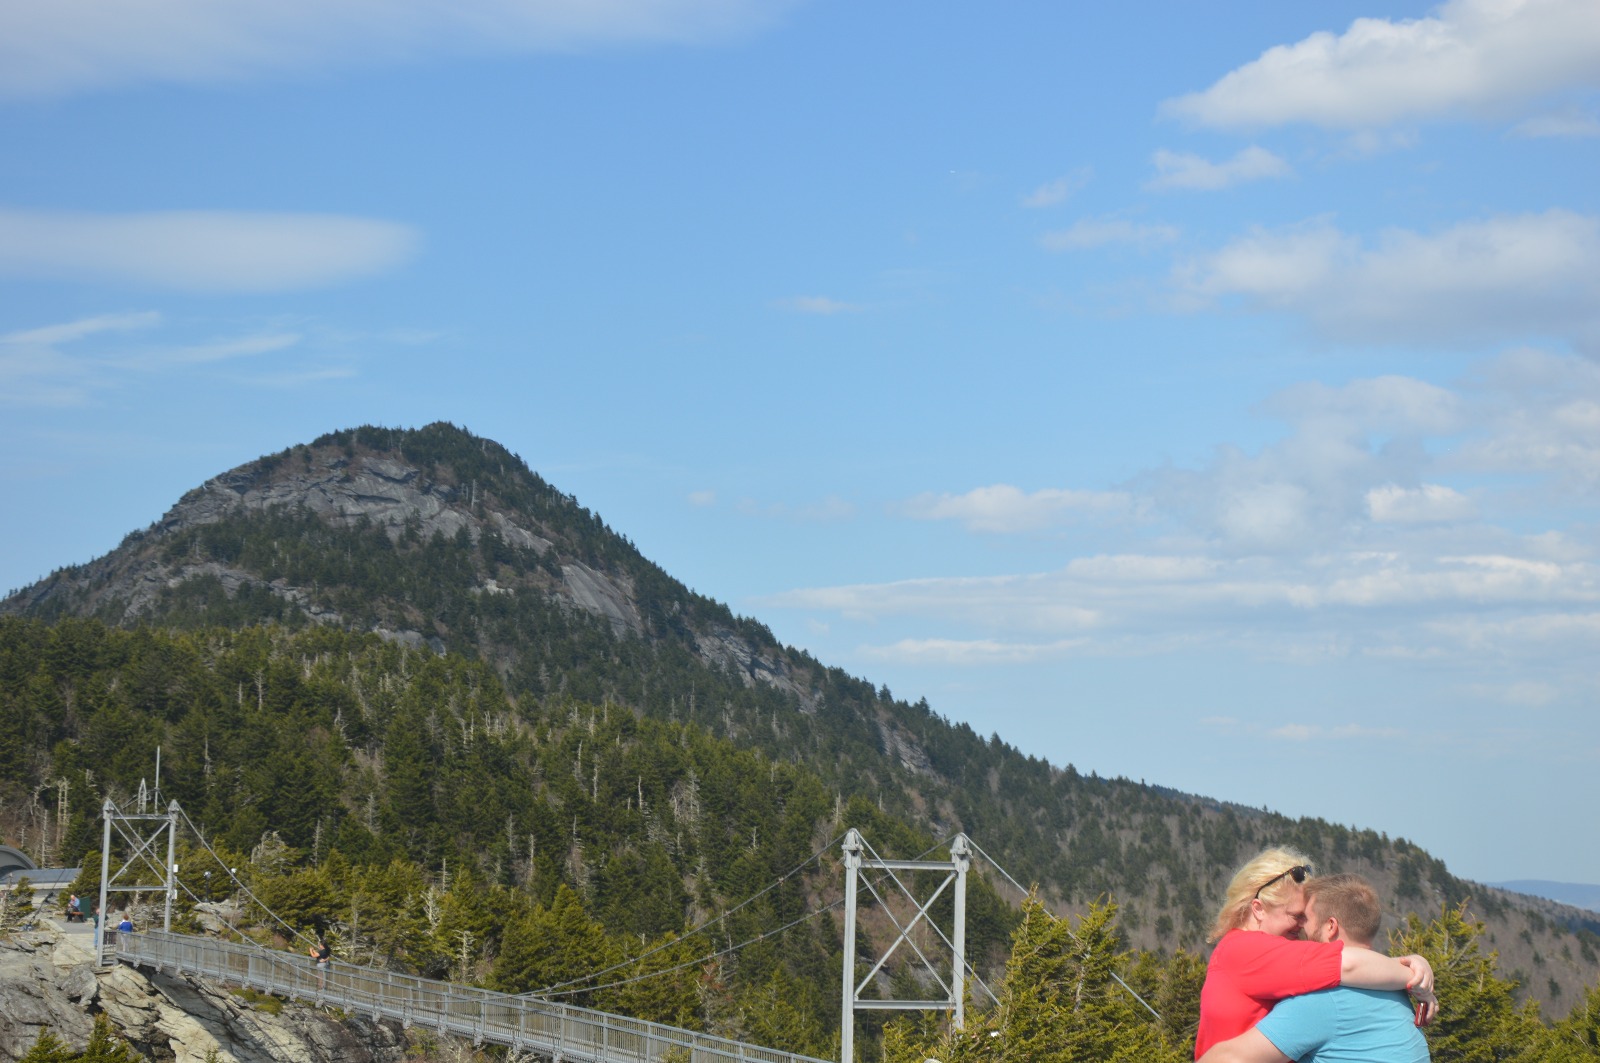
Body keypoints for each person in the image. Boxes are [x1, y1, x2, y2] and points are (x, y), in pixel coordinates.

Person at [1195, 848, 1436, 1058]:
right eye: (1295, 915)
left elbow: (1347, 963)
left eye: (1304, 916)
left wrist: (1412, 965)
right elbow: (1348, 965)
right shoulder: (1247, 950)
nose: (1302, 925)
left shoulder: (1248, 950)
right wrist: (1413, 976)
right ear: (1258, 909)